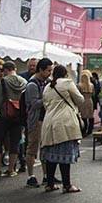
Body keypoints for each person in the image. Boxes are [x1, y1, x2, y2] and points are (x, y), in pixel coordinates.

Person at [40, 64, 83, 193]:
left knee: (51, 156)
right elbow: (80, 99)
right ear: (65, 74)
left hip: (49, 122)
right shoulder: (67, 83)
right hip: (64, 122)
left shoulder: (47, 86)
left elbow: (45, 104)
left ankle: (50, 184)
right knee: (64, 156)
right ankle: (67, 185)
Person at [0, 61, 27, 177]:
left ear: (5, 70)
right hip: (18, 116)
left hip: (5, 115)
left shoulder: (2, 82)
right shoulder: (24, 82)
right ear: (15, 69)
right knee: (15, 142)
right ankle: (11, 169)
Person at [23, 58, 53, 187]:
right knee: (32, 148)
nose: (50, 73)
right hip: (35, 120)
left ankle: (46, 176)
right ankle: (31, 176)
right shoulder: (32, 85)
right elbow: (33, 104)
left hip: (46, 119)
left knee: (45, 148)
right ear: (40, 70)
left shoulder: (47, 82)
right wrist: (46, 99)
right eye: (48, 70)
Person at [78, 70, 95, 136]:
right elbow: (93, 94)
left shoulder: (79, 85)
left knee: (83, 117)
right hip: (90, 101)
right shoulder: (91, 85)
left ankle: (83, 131)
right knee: (90, 116)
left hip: (82, 101)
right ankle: (90, 130)